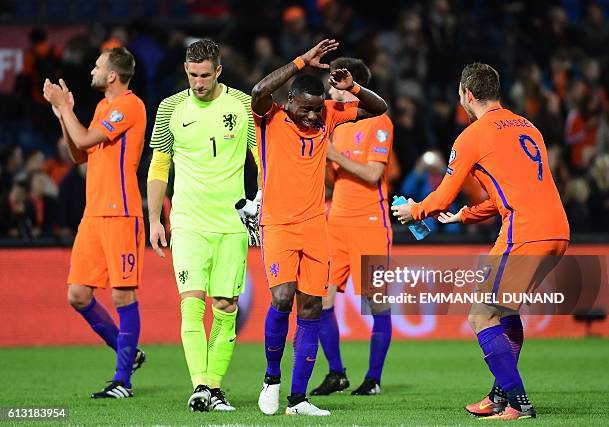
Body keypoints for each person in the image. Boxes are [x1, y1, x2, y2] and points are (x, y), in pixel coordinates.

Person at [392, 63, 569, 421]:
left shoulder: (472, 135)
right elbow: (515, 190)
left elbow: (439, 198)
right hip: (558, 231)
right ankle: (499, 396)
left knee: (480, 314)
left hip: (524, 231)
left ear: (467, 95)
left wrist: (416, 211)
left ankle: (518, 404)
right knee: (503, 311)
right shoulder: (528, 127)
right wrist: (467, 216)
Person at [252, 39, 387, 416]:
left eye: (316, 110)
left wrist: (351, 87)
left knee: (311, 307)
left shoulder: (329, 113)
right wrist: (301, 62)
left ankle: (298, 399)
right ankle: (271, 378)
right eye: (306, 110)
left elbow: (380, 108)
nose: (313, 117)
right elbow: (260, 89)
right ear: (290, 101)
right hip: (277, 224)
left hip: (315, 227)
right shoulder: (269, 117)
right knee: (282, 299)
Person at [147, 39, 260, 413]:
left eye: (205, 75)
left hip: (231, 222)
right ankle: (199, 385)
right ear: (185, 70)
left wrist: (263, 201)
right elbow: (159, 166)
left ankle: (214, 387)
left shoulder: (243, 105)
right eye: (193, 75)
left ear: (219, 72)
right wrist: (154, 220)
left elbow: (262, 158)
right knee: (191, 304)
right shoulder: (169, 109)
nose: (198, 83)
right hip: (188, 221)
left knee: (226, 305)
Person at [43, 47, 147, 399]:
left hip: (121, 213)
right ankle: (127, 351)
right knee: (77, 295)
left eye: (97, 66)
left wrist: (68, 108)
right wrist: (61, 112)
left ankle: (122, 381)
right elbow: (78, 153)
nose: (92, 69)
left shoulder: (130, 105)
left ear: (112, 75)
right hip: (94, 214)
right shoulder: (105, 108)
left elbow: (85, 139)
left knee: (122, 295)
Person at [310, 57, 393, 397]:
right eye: (331, 81)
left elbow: (374, 173)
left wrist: (333, 155)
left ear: (354, 86)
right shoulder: (332, 123)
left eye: (337, 81)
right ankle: (336, 372)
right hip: (337, 222)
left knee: (377, 303)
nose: (331, 87)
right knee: (320, 300)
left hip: (371, 224)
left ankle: (373, 378)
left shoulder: (379, 122)